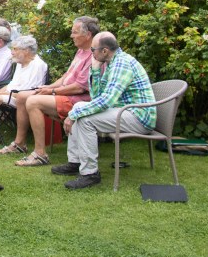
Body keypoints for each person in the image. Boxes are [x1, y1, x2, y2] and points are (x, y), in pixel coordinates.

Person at [52, 32, 156, 189]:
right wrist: (94, 70)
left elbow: (106, 101)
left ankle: (90, 174)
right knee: (79, 107)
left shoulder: (122, 64)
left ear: (105, 50)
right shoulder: (110, 63)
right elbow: (96, 97)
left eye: (93, 49)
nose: (91, 53)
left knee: (85, 119)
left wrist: (73, 116)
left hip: (139, 117)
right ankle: (75, 162)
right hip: (124, 111)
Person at [1, 16, 98, 166]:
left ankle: (40, 154)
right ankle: (20, 143)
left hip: (78, 100)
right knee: (21, 96)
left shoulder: (94, 55)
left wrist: (53, 92)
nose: (71, 35)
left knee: (33, 101)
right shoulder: (80, 52)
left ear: (88, 35)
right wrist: (49, 87)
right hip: (67, 95)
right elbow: (66, 77)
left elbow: (80, 87)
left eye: (75, 32)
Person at [0, 35, 48, 149]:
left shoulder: (38, 65)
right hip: (9, 95)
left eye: (15, 49)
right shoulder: (20, 63)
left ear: (26, 51)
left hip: (20, 100)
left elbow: (25, 93)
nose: (12, 52)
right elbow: (11, 85)